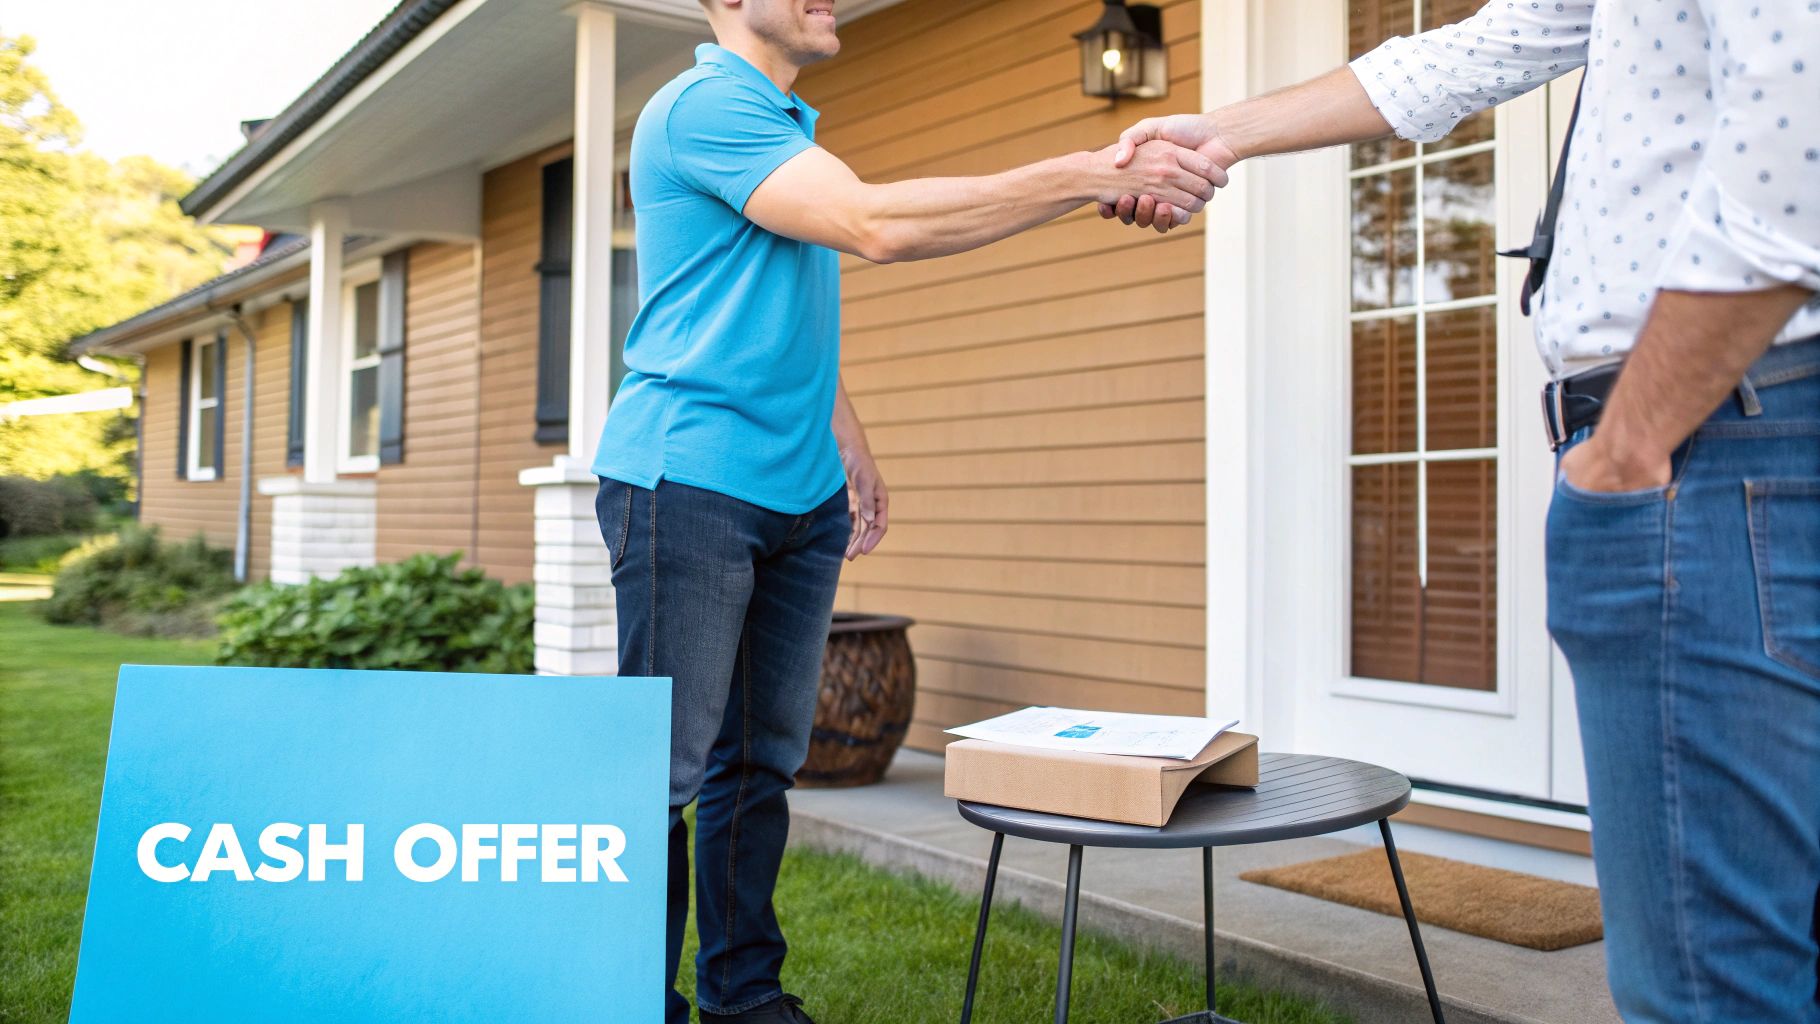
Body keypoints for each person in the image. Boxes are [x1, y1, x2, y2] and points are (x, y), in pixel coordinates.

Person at [1099, 2, 1820, 1020]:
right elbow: (1494, 41)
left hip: (1714, 444)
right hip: (1729, 440)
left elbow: (1797, 130)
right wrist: (1219, 133)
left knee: (1709, 984)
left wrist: (1628, 445)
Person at [589, 2, 1224, 1021]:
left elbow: (767, 302)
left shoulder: (786, 127)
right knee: (663, 770)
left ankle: (744, 996)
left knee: (759, 765)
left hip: (797, 490)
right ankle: (629, 1000)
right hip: (690, 480)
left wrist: (848, 438)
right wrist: (1091, 172)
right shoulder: (704, 106)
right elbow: (878, 226)